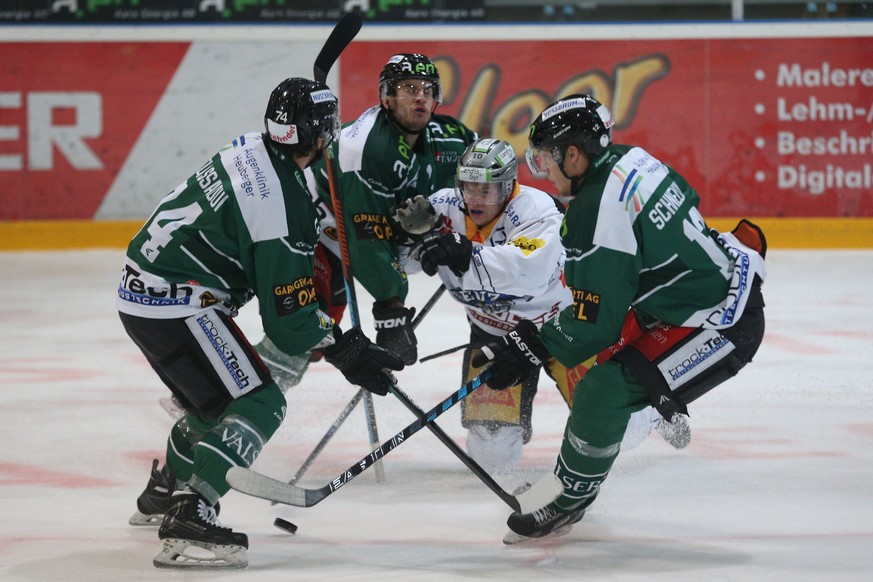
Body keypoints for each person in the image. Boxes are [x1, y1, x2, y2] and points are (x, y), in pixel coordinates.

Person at [118, 78, 404, 569]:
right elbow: (289, 320)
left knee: (215, 403)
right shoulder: (284, 204)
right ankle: (193, 510)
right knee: (261, 400)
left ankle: (166, 490)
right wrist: (347, 349)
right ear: (314, 135)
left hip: (139, 293)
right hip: (180, 305)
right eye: (327, 128)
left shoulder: (249, 147)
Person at [471, 95, 767, 543]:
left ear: (574, 155)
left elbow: (595, 323)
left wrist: (532, 345)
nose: (544, 172)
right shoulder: (630, 159)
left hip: (718, 320)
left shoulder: (597, 208)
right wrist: (540, 339)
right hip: (694, 290)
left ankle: (567, 500)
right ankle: (626, 428)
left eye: (547, 158)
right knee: (604, 365)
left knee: (600, 392)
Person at [393, 138, 688, 475]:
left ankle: (648, 412)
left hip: (560, 328)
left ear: (508, 186)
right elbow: (406, 264)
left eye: (486, 190)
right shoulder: (442, 207)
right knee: (490, 451)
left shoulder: (536, 209)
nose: (475, 199)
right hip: (493, 335)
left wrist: (462, 253)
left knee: (624, 427)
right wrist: (409, 239)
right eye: (468, 187)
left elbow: (526, 272)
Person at [305, 53, 477, 365]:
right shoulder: (365, 148)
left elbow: (489, 179)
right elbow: (366, 239)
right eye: (409, 89)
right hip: (325, 225)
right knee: (311, 336)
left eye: (427, 89)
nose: (420, 97)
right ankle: (246, 399)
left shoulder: (454, 138)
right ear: (388, 97)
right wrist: (391, 309)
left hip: (390, 230)